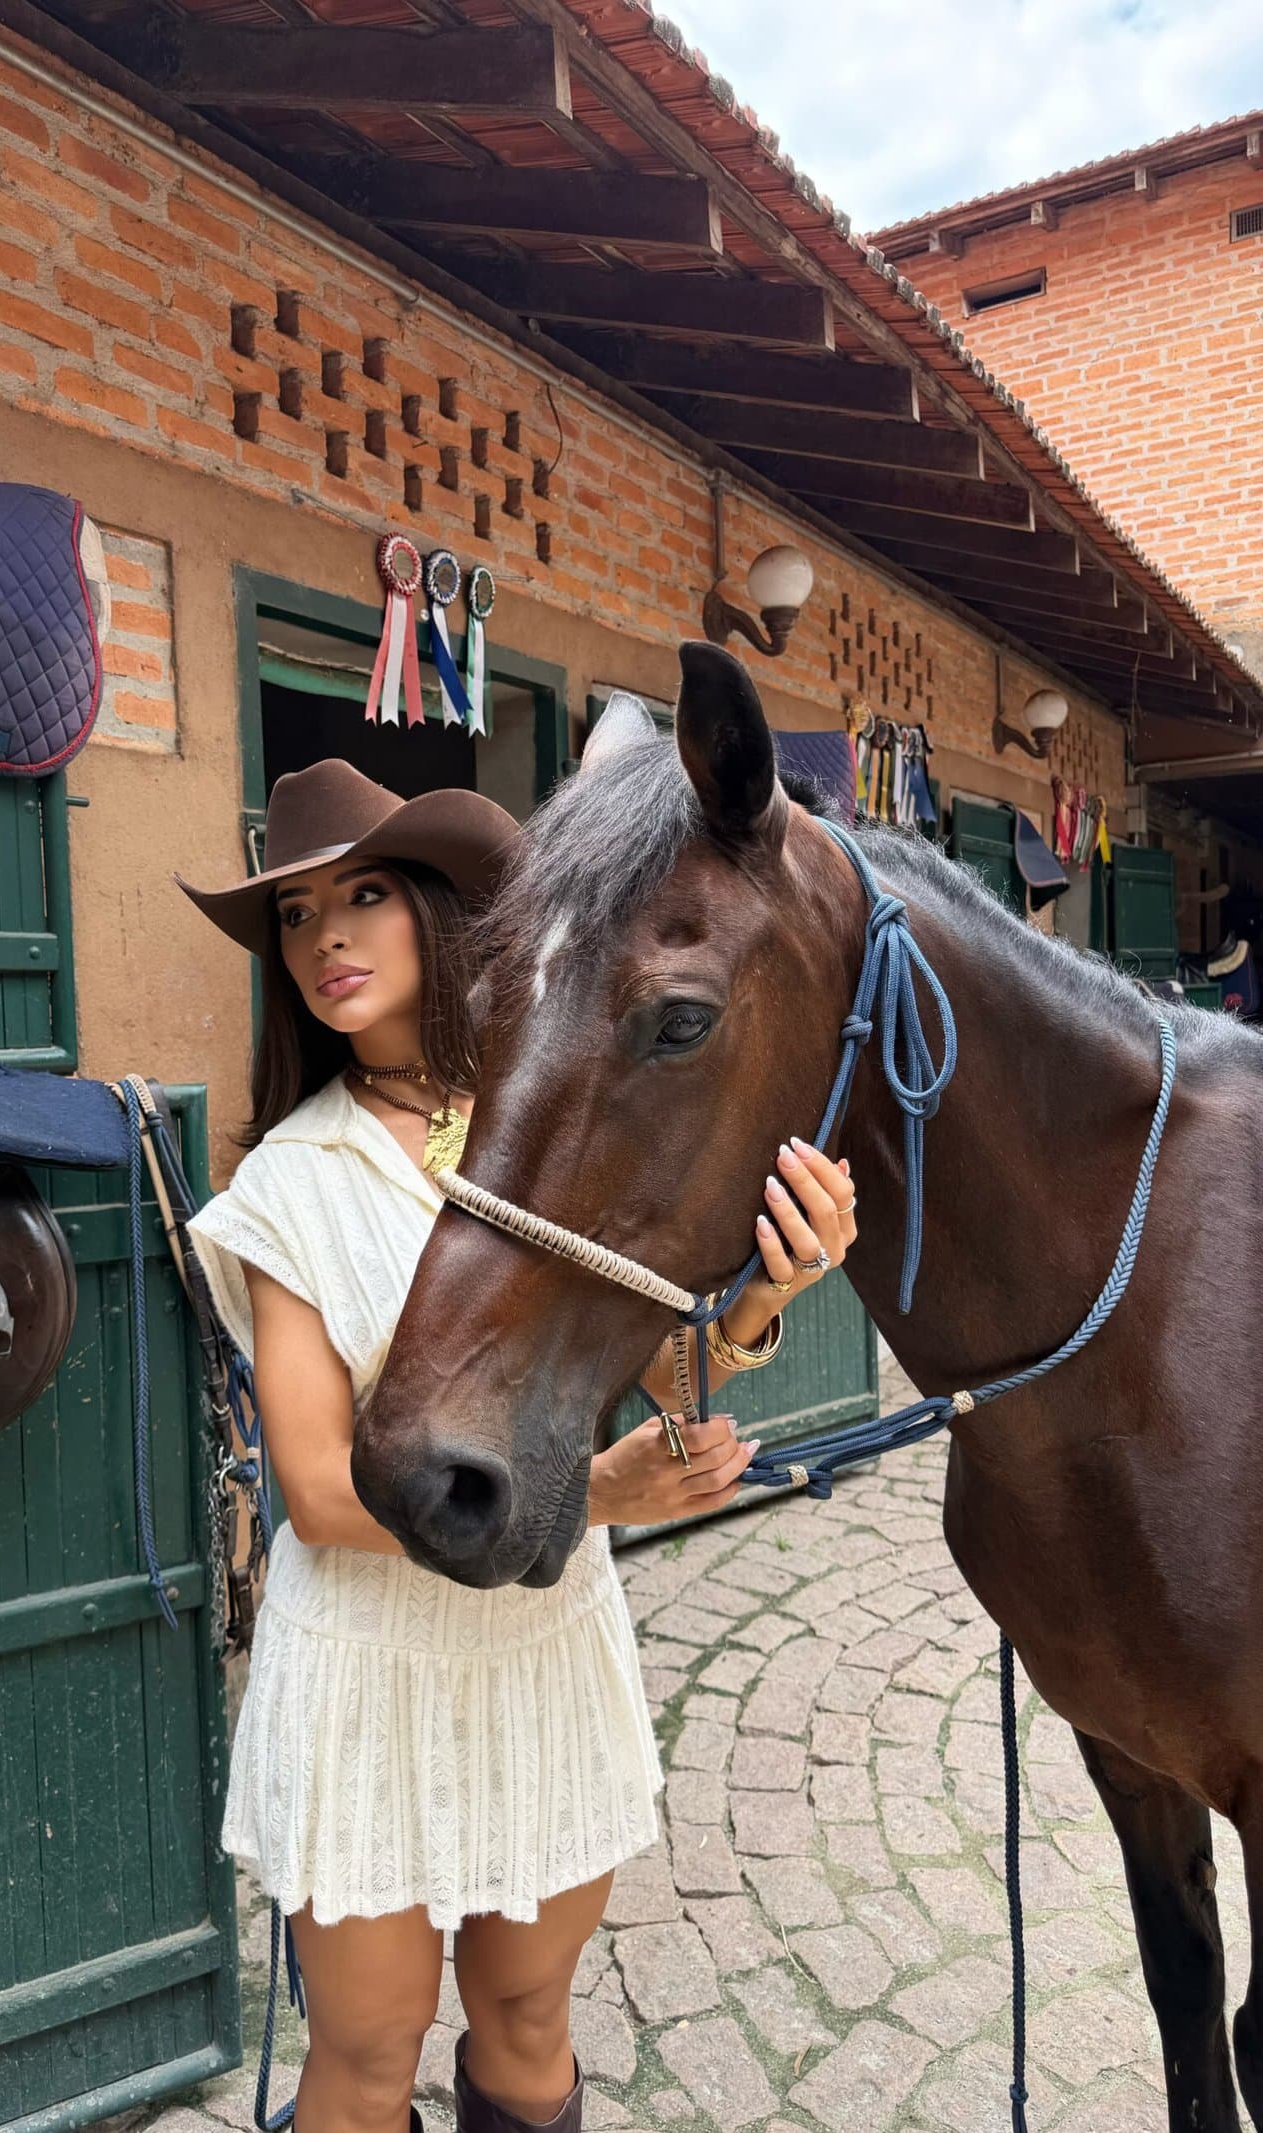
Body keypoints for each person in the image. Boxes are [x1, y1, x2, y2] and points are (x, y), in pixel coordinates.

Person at [181, 759, 858, 2133]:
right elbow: (314, 1490)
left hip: (539, 1650)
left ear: (440, 910)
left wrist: (768, 1295)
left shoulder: (543, 1114)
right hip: (367, 1674)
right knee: (364, 2062)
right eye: (298, 915)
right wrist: (602, 1489)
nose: (324, 938)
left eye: (362, 895)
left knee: (530, 2020)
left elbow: (643, 1365)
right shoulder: (288, 1184)